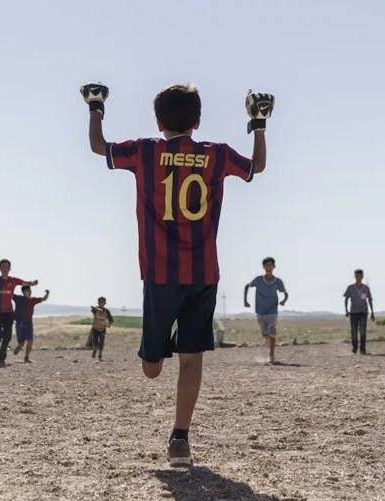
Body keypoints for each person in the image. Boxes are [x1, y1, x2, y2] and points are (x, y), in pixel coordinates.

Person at [85, 81, 271, 467]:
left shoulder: (146, 151)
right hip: (203, 273)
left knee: (152, 368)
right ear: (199, 121)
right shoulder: (216, 156)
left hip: (160, 276)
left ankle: (180, 437)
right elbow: (257, 168)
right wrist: (258, 124)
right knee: (191, 360)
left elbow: (98, 146)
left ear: (158, 121)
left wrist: (95, 106)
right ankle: (180, 437)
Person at [243, 257, 289, 364]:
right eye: (267, 265)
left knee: (272, 333)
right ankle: (269, 342)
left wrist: (284, 300)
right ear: (264, 267)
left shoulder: (278, 281)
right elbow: (247, 286)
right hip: (260, 311)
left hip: (273, 311)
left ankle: (271, 356)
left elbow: (285, 293)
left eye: (270, 265)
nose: (269, 267)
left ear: (274, 267)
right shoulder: (258, 280)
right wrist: (245, 301)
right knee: (265, 334)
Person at [343, 269, 374, 354]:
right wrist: (346, 310)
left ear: (362, 276)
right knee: (354, 331)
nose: (358, 277)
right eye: (357, 276)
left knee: (363, 330)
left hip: (363, 312)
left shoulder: (366, 288)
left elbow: (370, 300)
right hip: (353, 312)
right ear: (354, 276)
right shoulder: (350, 288)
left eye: (360, 276)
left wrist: (372, 312)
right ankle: (354, 347)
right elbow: (346, 299)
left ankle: (363, 348)